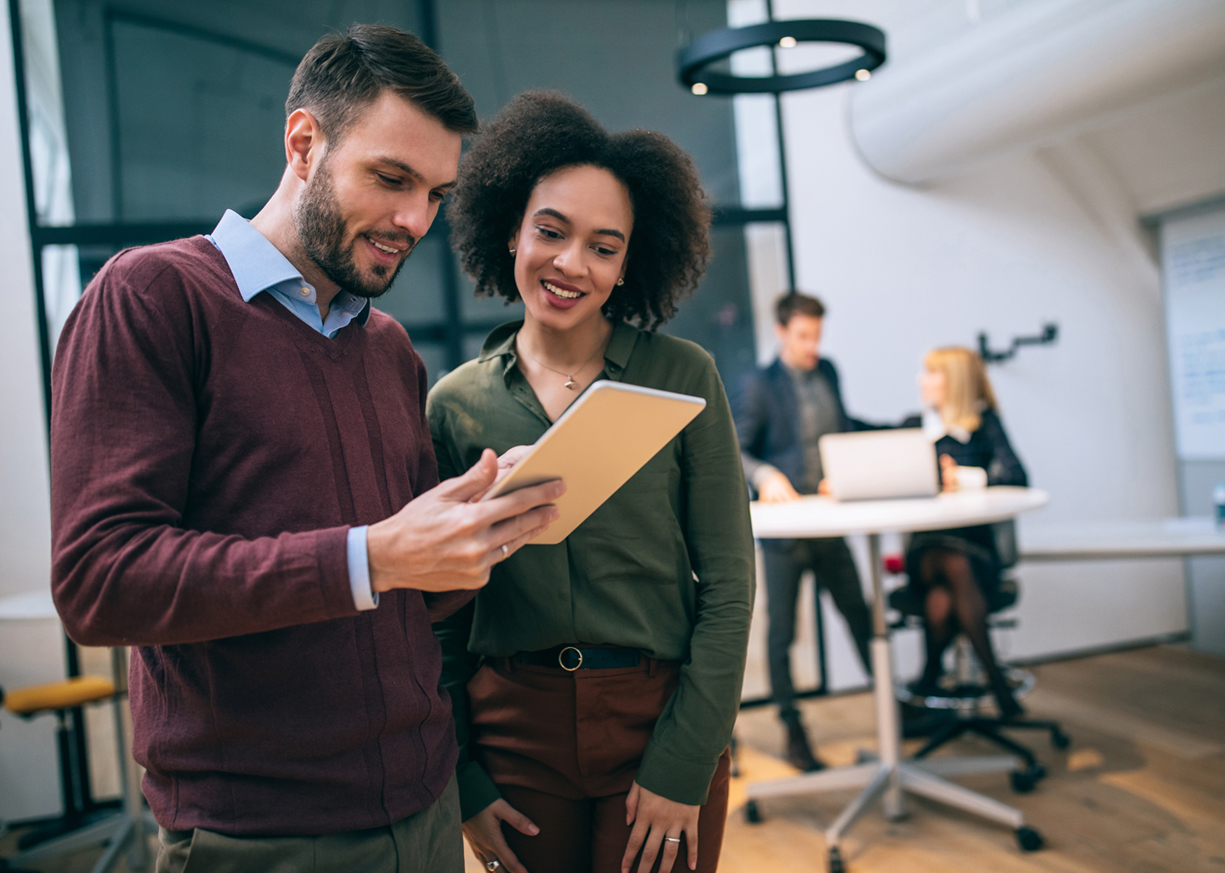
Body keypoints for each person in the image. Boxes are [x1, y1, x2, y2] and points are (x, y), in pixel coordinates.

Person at [49, 26, 565, 873]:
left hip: (424, 804)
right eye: (391, 178)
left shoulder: (390, 347)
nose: (413, 220)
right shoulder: (153, 297)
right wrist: (373, 556)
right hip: (261, 832)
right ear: (303, 143)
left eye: (435, 192)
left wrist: (474, 540)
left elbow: (400, 594)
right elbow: (101, 581)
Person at [428, 92, 755, 873]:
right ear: (511, 228)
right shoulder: (454, 405)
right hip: (513, 729)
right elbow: (434, 614)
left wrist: (684, 760)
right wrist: (463, 777)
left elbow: (729, 584)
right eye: (550, 231)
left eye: (603, 247)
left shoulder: (684, 376)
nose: (571, 263)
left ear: (627, 265)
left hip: (660, 720)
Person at [733, 291, 875, 772]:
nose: (813, 345)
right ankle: (793, 729)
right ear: (781, 332)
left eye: (818, 335)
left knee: (859, 614)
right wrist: (766, 475)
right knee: (782, 636)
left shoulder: (828, 372)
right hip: (785, 531)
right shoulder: (759, 385)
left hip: (829, 522)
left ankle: (893, 708)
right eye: (803, 336)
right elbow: (737, 448)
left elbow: (844, 426)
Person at [901, 346, 1029, 718]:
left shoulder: (983, 424)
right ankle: (997, 681)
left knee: (943, 597)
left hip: (978, 553)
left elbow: (1018, 475)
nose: (921, 381)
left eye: (931, 373)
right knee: (949, 564)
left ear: (953, 381)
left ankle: (927, 680)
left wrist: (967, 478)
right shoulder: (915, 427)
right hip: (925, 552)